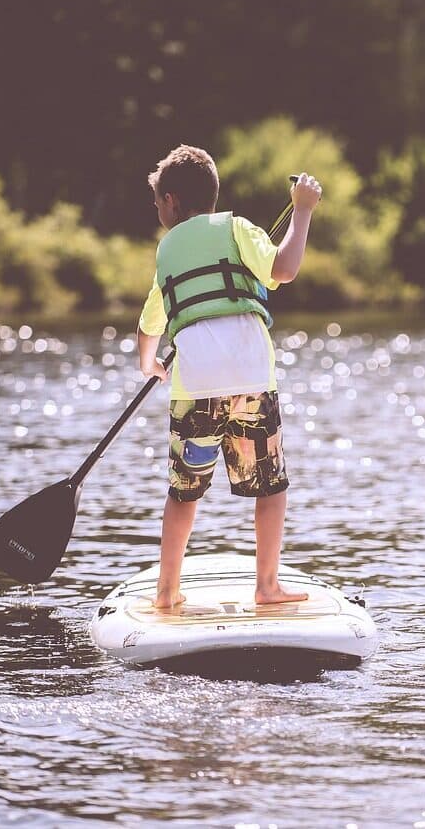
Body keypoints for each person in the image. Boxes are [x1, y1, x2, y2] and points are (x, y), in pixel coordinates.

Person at [137, 144, 321, 609]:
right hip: (251, 382)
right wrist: (302, 213)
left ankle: (166, 592)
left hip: (194, 388)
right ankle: (267, 587)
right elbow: (285, 267)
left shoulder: (166, 251)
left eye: (158, 201)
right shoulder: (237, 228)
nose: (157, 209)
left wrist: (149, 364)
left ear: (173, 201)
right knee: (271, 486)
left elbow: (150, 324)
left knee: (183, 494)